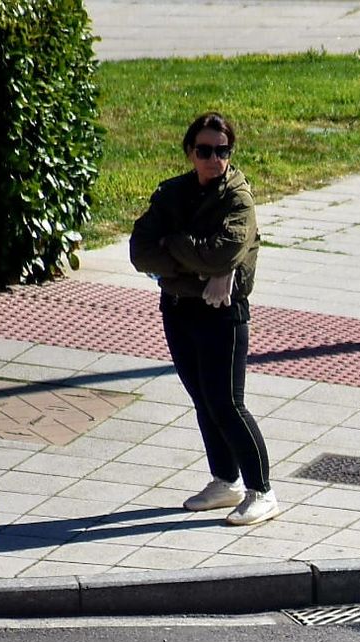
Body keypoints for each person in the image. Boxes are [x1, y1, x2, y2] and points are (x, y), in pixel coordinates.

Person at [128, 111, 276, 526]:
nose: (215, 159)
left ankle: (262, 490)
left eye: (222, 151)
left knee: (227, 404)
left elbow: (222, 253)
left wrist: (174, 246)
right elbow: (141, 252)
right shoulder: (173, 192)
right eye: (205, 151)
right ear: (190, 152)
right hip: (179, 308)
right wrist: (198, 268)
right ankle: (225, 480)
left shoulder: (237, 198)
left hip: (222, 313)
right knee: (203, 401)